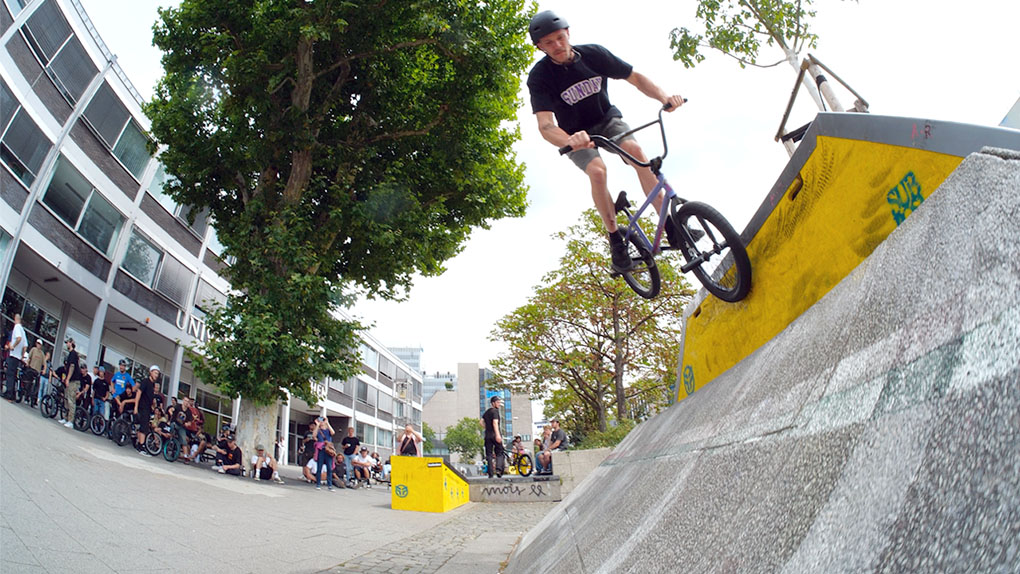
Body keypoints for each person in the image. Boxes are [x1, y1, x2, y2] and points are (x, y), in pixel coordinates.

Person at [526, 11, 686, 272]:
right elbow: (545, 125)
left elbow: (635, 77)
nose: (557, 46)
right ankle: (615, 240)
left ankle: (670, 226)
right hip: (575, 136)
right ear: (539, 47)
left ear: (568, 34)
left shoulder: (594, 55)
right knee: (598, 171)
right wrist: (571, 139)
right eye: (549, 43)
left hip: (606, 120)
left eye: (560, 38)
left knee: (637, 152)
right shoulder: (540, 77)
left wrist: (664, 97)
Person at [132, 365, 158, 456]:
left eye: (157, 373)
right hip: (142, 407)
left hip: (148, 408)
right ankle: (141, 447)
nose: (156, 375)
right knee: (144, 428)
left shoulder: (152, 384)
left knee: (142, 428)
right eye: (155, 372)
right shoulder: (145, 381)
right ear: (150, 372)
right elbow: (139, 393)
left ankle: (139, 445)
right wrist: (136, 406)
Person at [480, 395, 504, 478]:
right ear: (493, 403)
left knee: (489, 454)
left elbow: (481, 422)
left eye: (499, 402)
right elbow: (495, 423)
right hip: (494, 434)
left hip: (487, 435)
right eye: (497, 402)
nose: (499, 404)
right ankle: (498, 469)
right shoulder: (495, 411)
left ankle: (490, 474)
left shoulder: (487, 412)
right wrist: (497, 434)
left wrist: (487, 427)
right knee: (500, 452)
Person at [313, 417, 336, 491]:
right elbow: (314, 435)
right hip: (321, 450)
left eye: (322, 421)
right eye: (320, 421)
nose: (322, 422)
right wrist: (317, 425)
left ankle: (330, 485)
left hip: (328, 450)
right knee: (319, 467)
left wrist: (327, 423)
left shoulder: (327, 430)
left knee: (329, 468)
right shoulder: (318, 430)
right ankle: (318, 484)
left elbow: (333, 432)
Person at [66, 364, 91, 428]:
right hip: (78, 391)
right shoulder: (79, 376)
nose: (82, 370)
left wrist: (80, 393)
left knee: (84, 407)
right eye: (81, 368)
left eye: (83, 369)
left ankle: (81, 424)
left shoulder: (88, 377)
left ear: (86, 369)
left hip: (85, 394)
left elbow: (86, 388)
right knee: (74, 404)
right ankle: (70, 419)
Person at [25, 339, 45, 406]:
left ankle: (34, 401)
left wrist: (44, 370)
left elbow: (44, 364)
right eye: (37, 343)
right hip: (31, 368)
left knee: (37, 386)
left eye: (39, 344)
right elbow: (29, 357)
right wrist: (27, 362)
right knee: (28, 384)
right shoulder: (33, 349)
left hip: (37, 371)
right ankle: (26, 398)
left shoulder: (42, 354)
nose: (38, 345)